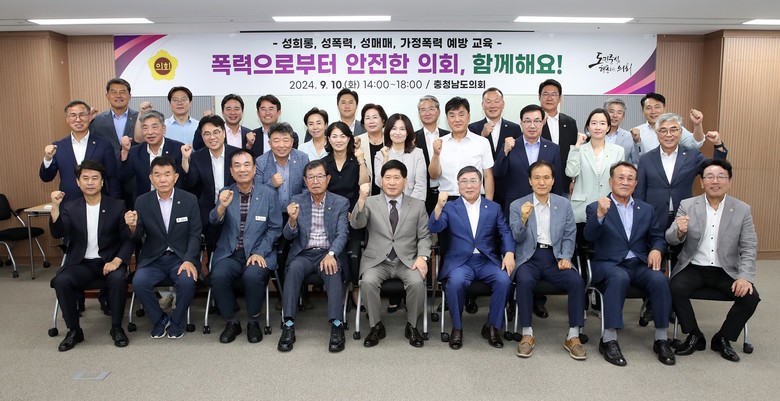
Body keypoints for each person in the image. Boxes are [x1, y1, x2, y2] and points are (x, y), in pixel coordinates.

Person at [666, 159, 760, 362]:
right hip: (694, 267)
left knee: (750, 298)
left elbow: (749, 246)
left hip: (726, 269)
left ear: (729, 182)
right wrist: (679, 231)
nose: (715, 181)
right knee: (674, 288)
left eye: (721, 177)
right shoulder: (688, 205)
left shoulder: (742, 209)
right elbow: (670, 238)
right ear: (702, 182)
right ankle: (694, 335)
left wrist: (744, 277)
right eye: (709, 177)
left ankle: (723, 338)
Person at [584, 161, 674, 366]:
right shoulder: (596, 207)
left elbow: (657, 237)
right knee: (619, 277)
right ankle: (608, 339)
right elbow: (589, 236)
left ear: (635, 184)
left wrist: (656, 249)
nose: (625, 182)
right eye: (620, 178)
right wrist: (599, 215)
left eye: (630, 179)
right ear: (611, 181)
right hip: (609, 264)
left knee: (660, 280)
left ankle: (661, 338)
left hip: (639, 263)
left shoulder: (646, 209)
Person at [49, 160, 134, 351]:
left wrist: (117, 261)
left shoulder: (117, 205)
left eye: (95, 178)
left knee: (118, 278)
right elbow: (58, 232)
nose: (90, 182)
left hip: (110, 261)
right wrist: (55, 207)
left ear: (102, 182)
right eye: (85, 178)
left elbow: (128, 239)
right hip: (82, 263)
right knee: (61, 281)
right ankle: (74, 330)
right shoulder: (71, 207)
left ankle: (117, 327)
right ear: (78, 182)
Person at [428, 166, 514, 350]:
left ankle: (492, 326)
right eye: (464, 181)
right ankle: (457, 328)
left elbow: (505, 232)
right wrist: (438, 206)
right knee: (456, 282)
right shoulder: (450, 207)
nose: (469, 185)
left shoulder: (493, 207)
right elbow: (435, 227)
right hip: (460, 262)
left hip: (486, 260)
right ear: (458, 185)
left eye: (473, 181)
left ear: (481, 184)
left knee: (504, 280)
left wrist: (509, 253)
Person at [351, 160, 431, 347]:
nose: (392, 182)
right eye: (387, 178)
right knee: (368, 282)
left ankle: (412, 326)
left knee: (417, 283)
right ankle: (376, 326)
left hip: (407, 261)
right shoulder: (370, 202)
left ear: (405, 180)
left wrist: (422, 257)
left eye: (396, 178)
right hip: (378, 261)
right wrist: (361, 200)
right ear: (381, 180)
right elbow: (357, 224)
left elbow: (425, 236)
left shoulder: (417, 205)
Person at [510, 160, 584, 360]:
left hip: (555, 257)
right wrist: (523, 219)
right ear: (530, 181)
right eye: (536, 178)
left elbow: (569, 234)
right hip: (529, 258)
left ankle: (573, 335)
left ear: (553, 180)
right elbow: (516, 238)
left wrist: (566, 256)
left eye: (546, 178)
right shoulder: (517, 205)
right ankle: (527, 333)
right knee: (524, 280)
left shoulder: (563, 204)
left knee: (576, 281)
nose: (541, 182)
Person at [209, 149, 283, 344]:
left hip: (259, 252)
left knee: (253, 275)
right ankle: (232, 321)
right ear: (231, 171)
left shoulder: (268, 194)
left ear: (254, 169)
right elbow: (213, 221)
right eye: (237, 166)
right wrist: (222, 206)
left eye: (246, 165)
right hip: (230, 253)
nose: (242, 169)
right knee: (218, 275)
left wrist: (260, 252)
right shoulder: (226, 193)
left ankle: (253, 321)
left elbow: (275, 228)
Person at [278, 160, 350, 353]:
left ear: (328, 179)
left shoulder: (340, 202)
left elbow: (342, 234)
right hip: (304, 253)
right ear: (305, 180)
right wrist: (292, 220)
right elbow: (288, 236)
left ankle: (337, 325)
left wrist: (332, 254)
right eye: (311, 177)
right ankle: (288, 325)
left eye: (319, 176)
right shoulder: (297, 200)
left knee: (332, 270)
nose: (315, 181)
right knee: (293, 269)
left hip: (328, 252)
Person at [126, 156, 202, 339]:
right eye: (157, 175)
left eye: (167, 174)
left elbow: (195, 234)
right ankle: (159, 319)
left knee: (187, 281)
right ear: (150, 178)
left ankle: (176, 320)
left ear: (175, 177)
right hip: (153, 258)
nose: (162, 179)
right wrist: (132, 226)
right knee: (139, 282)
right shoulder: (142, 201)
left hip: (181, 258)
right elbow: (137, 236)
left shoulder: (189, 200)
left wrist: (189, 260)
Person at [635, 113, 727, 237]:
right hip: (654, 218)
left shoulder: (692, 155)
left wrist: (718, 145)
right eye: (663, 130)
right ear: (657, 133)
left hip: (684, 217)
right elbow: (639, 192)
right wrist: (640, 218)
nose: (669, 135)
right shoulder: (646, 159)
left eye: (673, 130)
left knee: (682, 248)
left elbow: (715, 169)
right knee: (656, 248)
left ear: (680, 132)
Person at [40, 100, 121, 203]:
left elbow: (112, 178)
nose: (78, 119)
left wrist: (115, 204)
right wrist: (48, 159)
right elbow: (46, 178)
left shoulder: (104, 145)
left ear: (89, 117)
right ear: (67, 119)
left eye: (82, 115)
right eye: (73, 115)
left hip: (98, 203)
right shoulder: (58, 146)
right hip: (68, 204)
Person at [567, 108, 625, 244]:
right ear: (588, 126)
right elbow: (570, 172)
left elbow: (619, 180)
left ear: (608, 127)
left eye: (602, 123)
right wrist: (577, 145)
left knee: (606, 247)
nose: (598, 127)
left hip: (608, 208)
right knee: (582, 247)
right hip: (582, 208)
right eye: (594, 123)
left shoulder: (618, 151)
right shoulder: (579, 149)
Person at [180, 115, 238, 251]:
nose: (212, 137)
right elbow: (190, 184)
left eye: (216, 132)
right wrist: (185, 160)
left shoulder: (237, 154)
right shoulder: (197, 156)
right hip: (208, 213)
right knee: (212, 249)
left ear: (224, 133)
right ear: (202, 136)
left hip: (234, 209)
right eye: (207, 134)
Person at [494, 104, 562, 216]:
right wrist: (505, 152)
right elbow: (498, 173)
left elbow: (557, 183)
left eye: (537, 121)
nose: (532, 125)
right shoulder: (510, 146)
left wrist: (556, 209)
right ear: (521, 123)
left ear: (543, 122)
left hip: (544, 206)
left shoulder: (553, 148)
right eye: (527, 121)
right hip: (516, 206)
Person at [428, 97, 495, 201]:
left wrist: (488, 204)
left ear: (468, 116)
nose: (457, 120)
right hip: (447, 200)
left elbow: (488, 176)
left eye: (461, 114)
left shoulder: (482, 142)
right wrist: (436, 155)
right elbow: (433, 175)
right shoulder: (440, 143)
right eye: (452, 115)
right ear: (447, 119)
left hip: (475, 199)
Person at [119, 110, 185, 204]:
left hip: (173, 201)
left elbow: (185, 180)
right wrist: (124, 152)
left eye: (154, 127)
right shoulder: (135, 152)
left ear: (163, 129)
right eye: (145, 128)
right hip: (144, 203)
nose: (150, 132)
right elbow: (124, 176)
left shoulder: (178, 149)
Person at [630, 93, 706, 155]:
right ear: (642, 111)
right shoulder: (636, 132)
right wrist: (637, 141)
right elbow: (634, 159)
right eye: (648, 108)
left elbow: (695, 143)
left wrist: (697, 125)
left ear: (664, 108)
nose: (653, 111)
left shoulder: (675, 129)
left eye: (657, 107)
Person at [538, 79, 579, 194]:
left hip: (564, 181)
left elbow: (574, 153)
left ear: (560, 98)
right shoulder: (533, 122)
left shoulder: (570, 122)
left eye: (554, 94)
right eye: (545, 94)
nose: (549, 98)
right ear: (539, 97)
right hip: (539, 182)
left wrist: (573, 179)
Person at [374, 113, 426, 201]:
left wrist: (408, 205)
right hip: (386, 204)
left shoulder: (417, 153)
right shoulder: (380, 154)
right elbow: (380, 183)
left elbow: (420, 186)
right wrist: (385, 159)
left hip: (412, 204)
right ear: (388, 131)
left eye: (402, 129)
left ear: (408, 132)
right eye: (394, 129)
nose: (397, 133)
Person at [414, 95, 450, 213]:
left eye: (431, 109)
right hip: (422, 193)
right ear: (419, 114)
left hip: (446, 191)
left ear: (438, 112)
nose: (427, 113)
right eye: (423, 110)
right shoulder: (412, 138)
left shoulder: (449, 136)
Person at [89, 78, 139, 162]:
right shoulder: (97, 120)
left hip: (134, 166)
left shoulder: (139, 118)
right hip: (106, 166)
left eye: (122, 92)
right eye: (114, 92)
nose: (118, 96)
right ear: (107, 96)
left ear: (130, 96)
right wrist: (87, 119)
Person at [192, 94, 258, 155]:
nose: (233, 112)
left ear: (242, 112)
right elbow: (197, 146)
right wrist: (204, 122)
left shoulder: (249, 134)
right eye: (228, 109)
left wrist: (249, 146)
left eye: (236, 109)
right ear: (222, 112)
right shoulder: (215, 132)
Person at [468, 87, 522, 158]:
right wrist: (482, 136)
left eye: (496, 101)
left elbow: (519, 155)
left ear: (503, 104)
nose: (492, 106)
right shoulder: (472, 128)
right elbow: (469, 154)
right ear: (482, 105)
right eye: (488, 102)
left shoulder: (514, 128)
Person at [355, 103, 387, 195]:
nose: (371, 121)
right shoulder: (357, 142)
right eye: (367, 118)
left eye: (375, 117)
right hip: (365, 195)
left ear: (383, 120)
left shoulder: (391, 140)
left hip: (388, 193)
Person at [603, 98, 641, 165]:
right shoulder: (594, 135)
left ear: (623, 116)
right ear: (604, 114)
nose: (615, 116)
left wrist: (637, 142)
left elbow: (637, 161)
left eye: (619, 113)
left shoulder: (630, 136)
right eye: (611, 111)